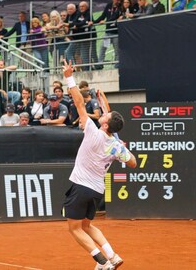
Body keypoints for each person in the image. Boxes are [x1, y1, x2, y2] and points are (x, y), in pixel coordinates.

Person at [60, 59, 136, 270]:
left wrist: (69, 76)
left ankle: (101, 261)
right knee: (87, 225)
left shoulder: (93, 130)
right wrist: (122, 149)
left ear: (105, 123)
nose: (103, 113)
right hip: (96, 191)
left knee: (74, 229)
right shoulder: (117, 146)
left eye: (105, 115)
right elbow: (133, 163)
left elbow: (78, 103)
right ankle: (112, 256)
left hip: (80, 187)